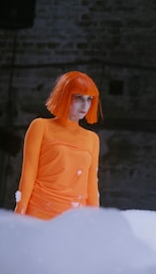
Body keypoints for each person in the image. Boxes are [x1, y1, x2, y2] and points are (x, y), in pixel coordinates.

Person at [14, 71, 102, 220]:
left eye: (89, 99)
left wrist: (95, 222)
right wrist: (18, 214)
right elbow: (28, 174)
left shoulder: (92, 139)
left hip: (74, 219)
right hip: (39, 213)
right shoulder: (41, 126)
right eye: (79, 98)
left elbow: (92, 186)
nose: (85, 105)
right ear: (64, 96)